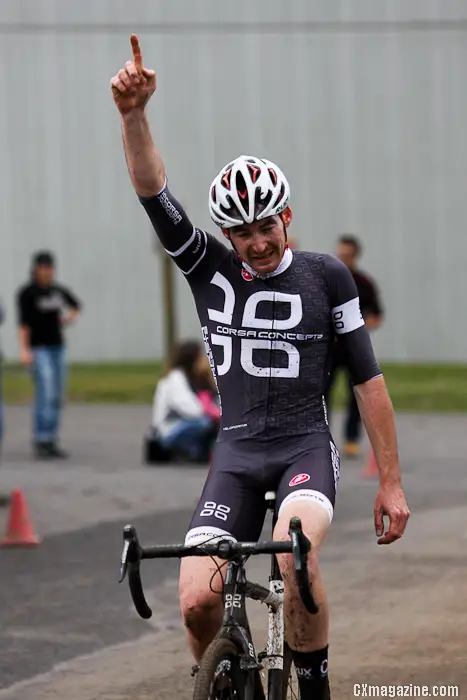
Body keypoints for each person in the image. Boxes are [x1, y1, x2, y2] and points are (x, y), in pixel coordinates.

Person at [111, 35, 410, 700]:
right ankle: (218, 678)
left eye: (266, 224)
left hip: (305, 449)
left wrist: (389, 484)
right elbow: (152, 191)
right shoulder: (206, 268)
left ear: (287, 215)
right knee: (195, 599)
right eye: (242, 231)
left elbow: (367, 381)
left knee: (290, 556)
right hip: (237, 457)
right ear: (227, 235)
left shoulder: (326, 277)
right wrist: (133, 115)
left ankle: (314, 687)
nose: (257, 240)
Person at [16, 251, 82, 459]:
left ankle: (51, 438)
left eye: (50, 268)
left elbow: (76, 306)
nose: (47, 272)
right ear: (36, 270)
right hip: (39, 348)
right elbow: (24, 325)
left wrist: (68, 319)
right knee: (45, 392)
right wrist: (24, 350)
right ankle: (41, 438)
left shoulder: (57, 291)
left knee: (56, 394)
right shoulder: (27, 293)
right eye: (43, 268)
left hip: (57, 347)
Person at [324, 235, 384, 459]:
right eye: (340, 255)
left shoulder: (364, 284)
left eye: (347, 256)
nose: (343, 259)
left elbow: (377, 316)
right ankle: (322, 439)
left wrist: (357, 328)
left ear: (355, 256)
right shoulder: (326, 279)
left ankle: (351, 440)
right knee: (322, 393)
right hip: (328, 350)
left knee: (356, 395)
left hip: (352, 351)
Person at [146, 340, 219, 464]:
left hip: (184, 425)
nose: (205, 361)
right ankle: (187, 450)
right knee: (204, 423)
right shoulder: (175, 379)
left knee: (214, 423)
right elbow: (193, 410)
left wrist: (208, 377)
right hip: (167, 431)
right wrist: (211, 412)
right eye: (201, 357)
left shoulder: (197, 379)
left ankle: (197, 451)